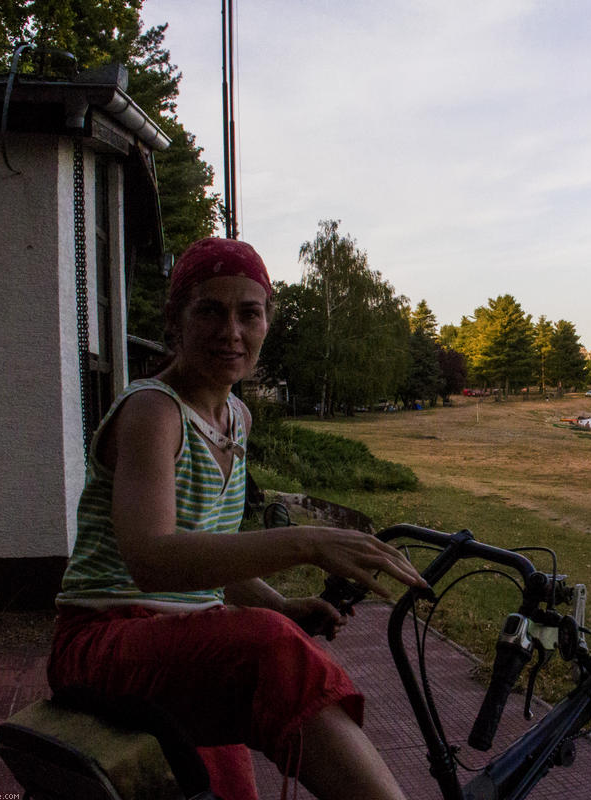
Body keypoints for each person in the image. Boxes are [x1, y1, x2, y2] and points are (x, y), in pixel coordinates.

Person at [50, 237, 428, 800]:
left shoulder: (237, 418)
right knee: (269, 650)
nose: (231, 331)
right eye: (210, 310)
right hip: (102, 638)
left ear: (267, 323)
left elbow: (204, 549)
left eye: (249, 313)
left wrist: (280, 603)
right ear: (175, 320)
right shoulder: (155, 410)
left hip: (179, 638)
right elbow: (152, 559)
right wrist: (306, 543)